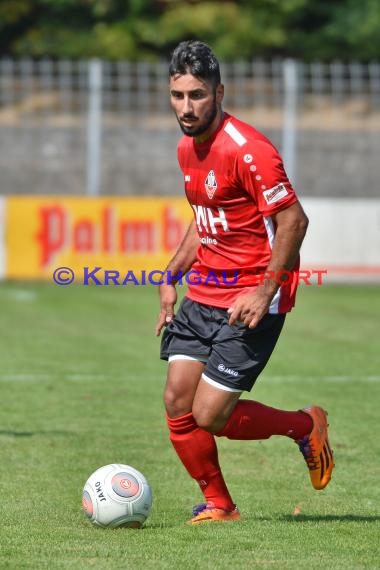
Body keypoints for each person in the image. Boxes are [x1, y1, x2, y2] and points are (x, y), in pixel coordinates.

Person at [155, 40, 334, 525]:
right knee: (176, 399)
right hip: (203, 293)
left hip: (252, 296)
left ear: (219, 92)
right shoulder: (185, 147)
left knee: (210, 414)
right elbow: (204, 220)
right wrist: (171, 276)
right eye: (178, 95)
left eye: (197, 95)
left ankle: (304, 425)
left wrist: (264, 290)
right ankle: (220, 505)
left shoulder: (250, 150)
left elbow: (294, 222)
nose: (186, 107)